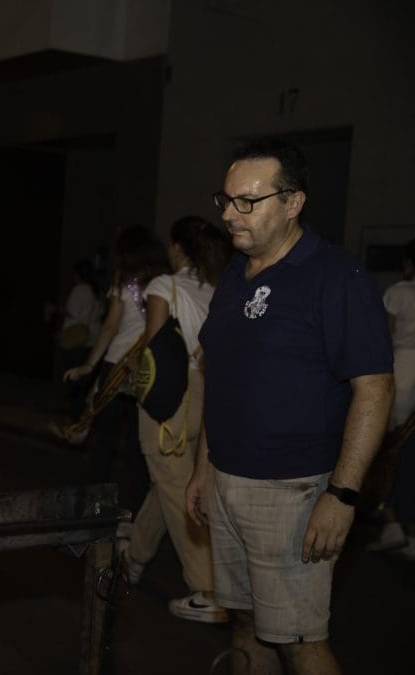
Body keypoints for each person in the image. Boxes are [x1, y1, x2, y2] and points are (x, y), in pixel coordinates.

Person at [185, 138, 394, 674]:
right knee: (245, 622)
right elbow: (220, 375)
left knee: (300, 640)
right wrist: (204, 467)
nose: (229, 215)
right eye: (226, 199)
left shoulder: (335, 277)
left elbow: (374, 390)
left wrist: (342, 496)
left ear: (293, 202)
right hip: (226, 481)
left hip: (293, 492)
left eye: (247, 202)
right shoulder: (236, 272)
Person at [121, 216, 231, 623]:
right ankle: (134, 557)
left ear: (179, 249)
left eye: (172, 244)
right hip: (204, 391)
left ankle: (208, 588)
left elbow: (152, 346)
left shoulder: (162, 286)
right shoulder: (215, 291)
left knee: (177, 486)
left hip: (169, 394)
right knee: (168, 481)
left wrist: (132, 367)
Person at [63, 225, 168, 511]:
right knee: (138, 443)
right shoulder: (165, 282)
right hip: (146, 365)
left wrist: (89, 365)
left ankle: (96, 505)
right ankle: (137, 509)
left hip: (116, 364)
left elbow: (110, 326)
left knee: (103, 439)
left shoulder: (124, 282)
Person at [366, 238, 415, 557]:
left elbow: (383, 335)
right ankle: (407, 531)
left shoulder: (398, 292)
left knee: (385, 447)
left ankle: (391, 520)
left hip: (402, 370)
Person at [55, 260, 101, 417]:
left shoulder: (80, 290)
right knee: (84, 380)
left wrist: (56, 309)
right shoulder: (96, 291)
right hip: (91, 338)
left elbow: (72, 312)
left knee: (74, 377)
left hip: (76, 338)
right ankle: (81, 412)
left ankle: (75, 414)